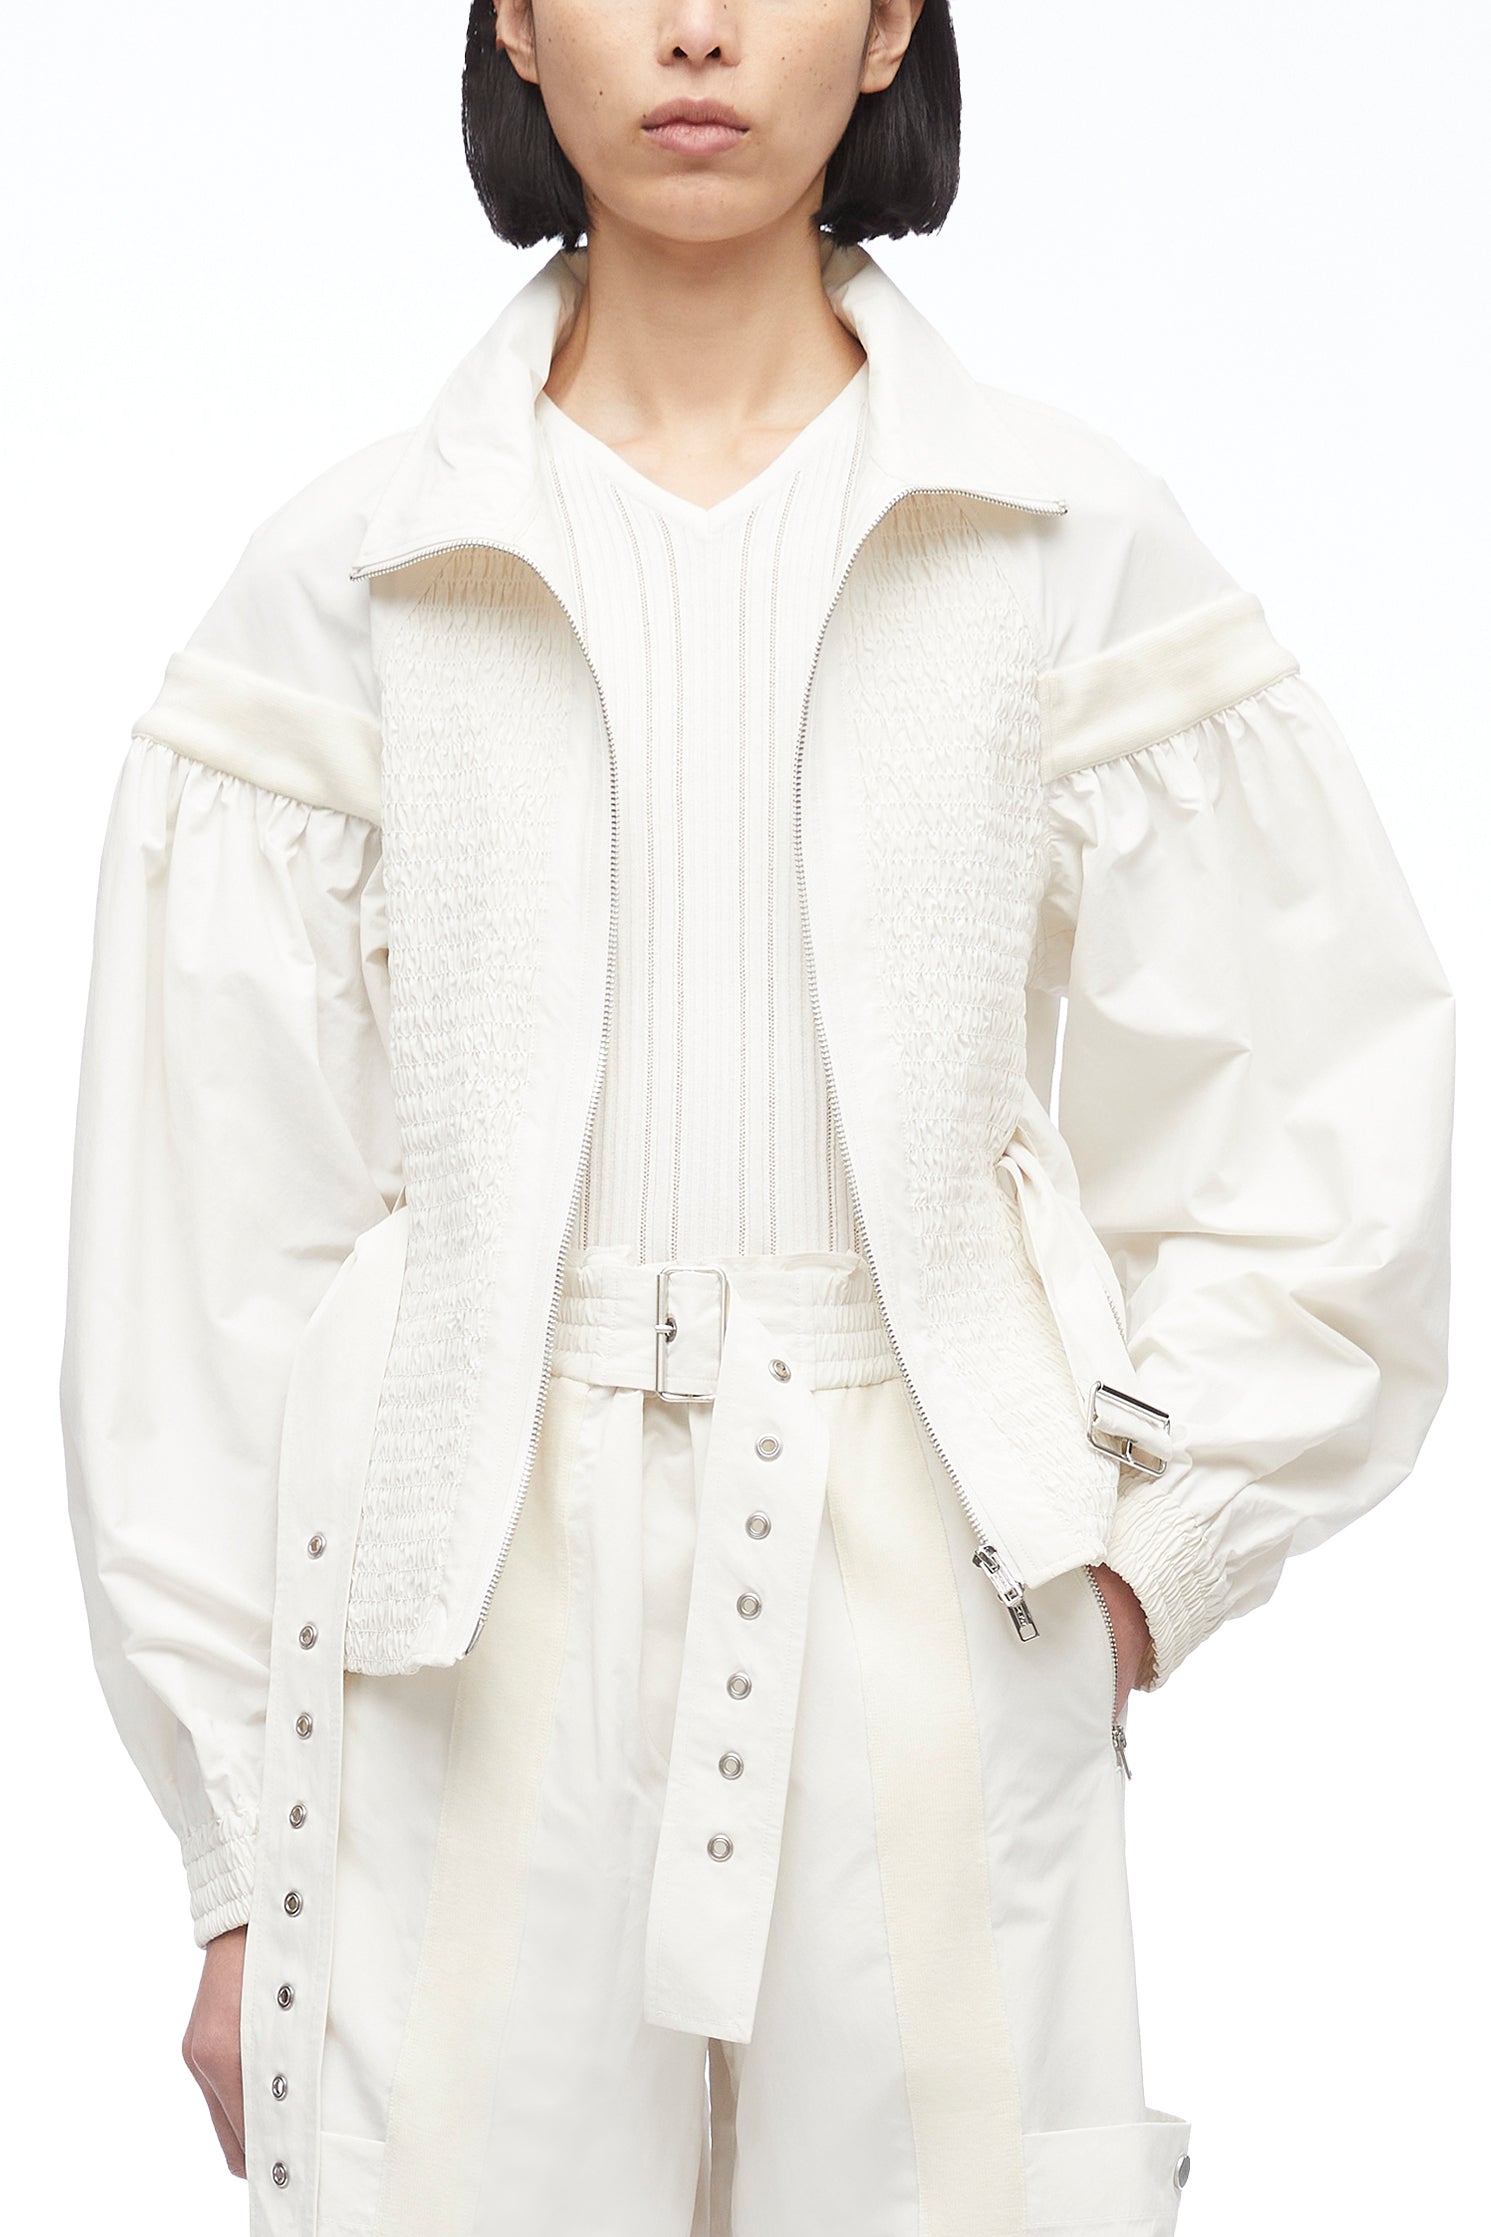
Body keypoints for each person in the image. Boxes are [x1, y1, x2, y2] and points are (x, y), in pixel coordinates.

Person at [58, 4, 1453, 2234]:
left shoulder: (1057, 543)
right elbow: (206, 1258)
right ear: (516, 22)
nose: (697, 29)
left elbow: (1322, 1108)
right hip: (452, 1639)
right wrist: (241, 1849)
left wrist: (1137, 1562)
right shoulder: (348, 585)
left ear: (889, 23)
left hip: (934, 1593)